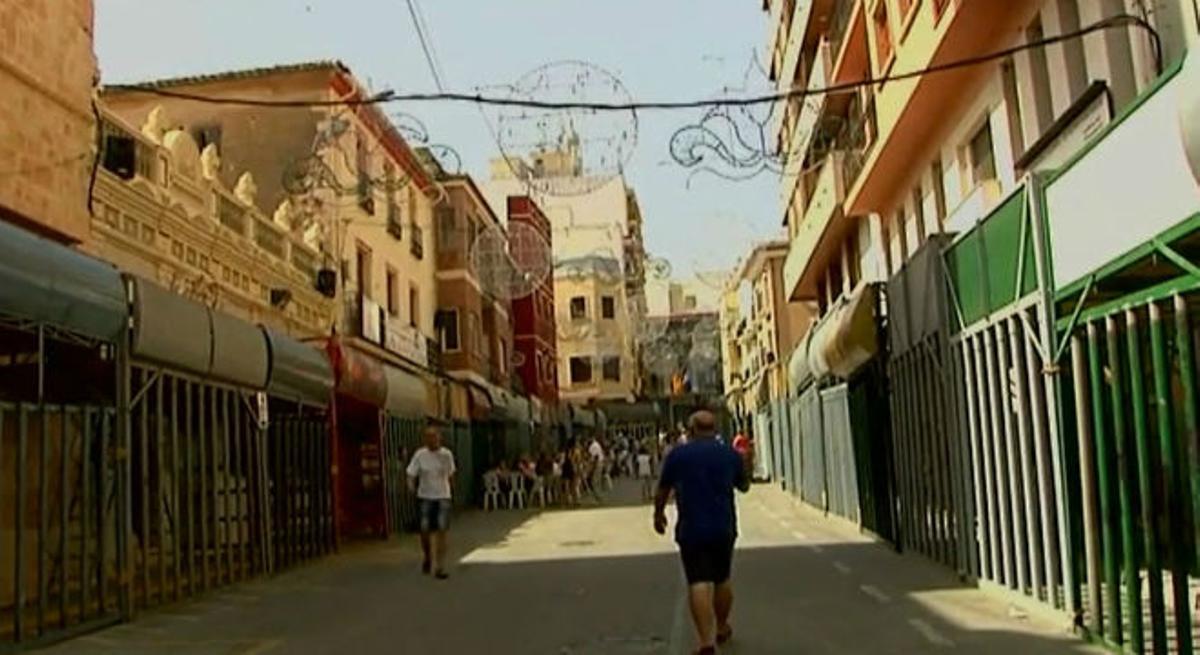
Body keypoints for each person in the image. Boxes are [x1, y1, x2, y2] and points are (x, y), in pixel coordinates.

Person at [654, 410, 751, 655]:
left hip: (692, 528)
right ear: (715, 428)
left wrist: (659, 514)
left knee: (698, 582)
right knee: (722, 579)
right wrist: (745, 462)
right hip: (723, 527)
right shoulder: (729, 454)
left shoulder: (678, 455)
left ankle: (706, 643)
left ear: (692, 429)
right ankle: (721, 626)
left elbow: (663, 488)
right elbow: (745, 485)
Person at [406, 424, 456, 580]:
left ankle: (440, 566)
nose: (432, 440)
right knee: (425, 530)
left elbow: (451, 474)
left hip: (442, 496)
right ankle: (428, 556)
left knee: (442, 530)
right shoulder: (420, 455)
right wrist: (411, 485)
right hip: (425, 496)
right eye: (428, 437)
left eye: (434, 437)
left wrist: (452, 492)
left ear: (439, 438)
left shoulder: (446, 455)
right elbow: (411, 473)